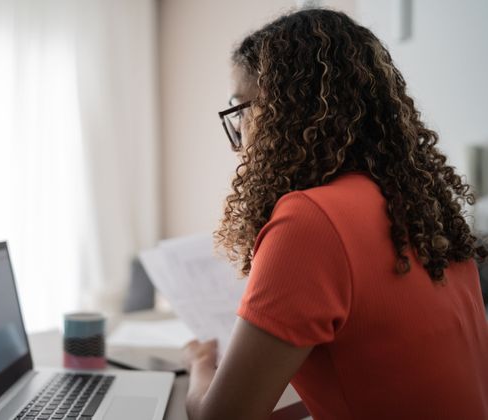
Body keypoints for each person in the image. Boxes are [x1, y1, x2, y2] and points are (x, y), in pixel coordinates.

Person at [182, 8, 488, 420]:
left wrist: (200, 367)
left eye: (241, 110)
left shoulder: (310, 220)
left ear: (280, 112)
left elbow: (220, 416)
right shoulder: (423, 210)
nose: (242, 137)